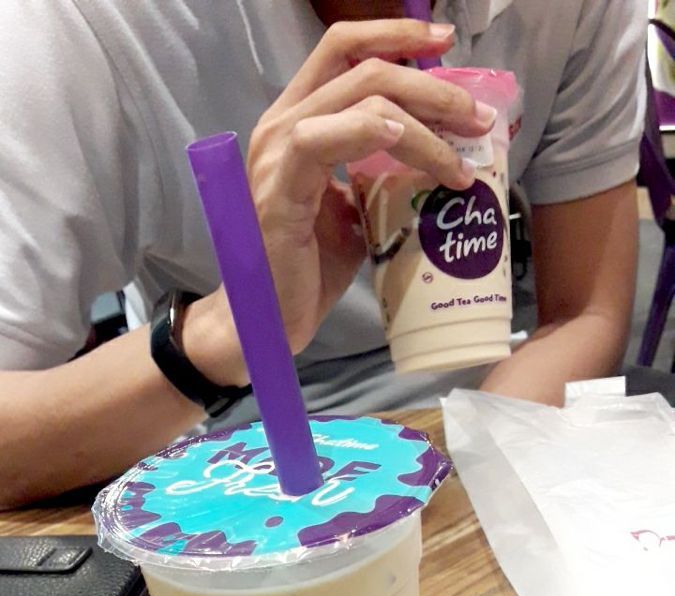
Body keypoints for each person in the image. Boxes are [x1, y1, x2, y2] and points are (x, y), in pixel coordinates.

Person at [0, 1, 646, 507]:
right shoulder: (74, 27)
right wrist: (235, 327)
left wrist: (469, 484)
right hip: (229, 448)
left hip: (504, 410)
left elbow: (583, 311)